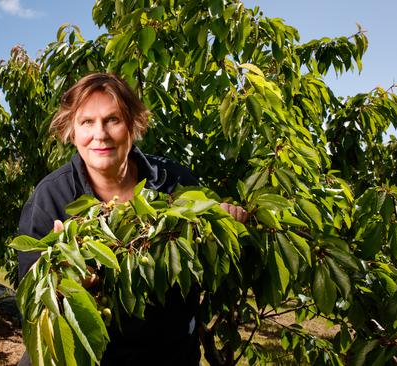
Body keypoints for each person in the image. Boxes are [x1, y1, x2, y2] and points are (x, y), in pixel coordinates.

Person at [16, 72, 246, 365]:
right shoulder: (52, 197)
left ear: (133, 125)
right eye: (87, 122)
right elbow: (33, 301)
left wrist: (222, 224)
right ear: (71, 131)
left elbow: (207, 267)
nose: (100, 134)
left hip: (169, 354)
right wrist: (66, 282)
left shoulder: (174, 182)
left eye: (113, 119)